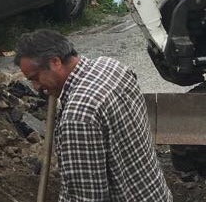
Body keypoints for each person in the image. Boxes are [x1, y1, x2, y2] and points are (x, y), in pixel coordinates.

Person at [14, 30, 172, 202]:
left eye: (36, 78)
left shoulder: (78, 117)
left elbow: (86, 197)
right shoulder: (112, 67)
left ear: (55, 62)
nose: (35, 87)